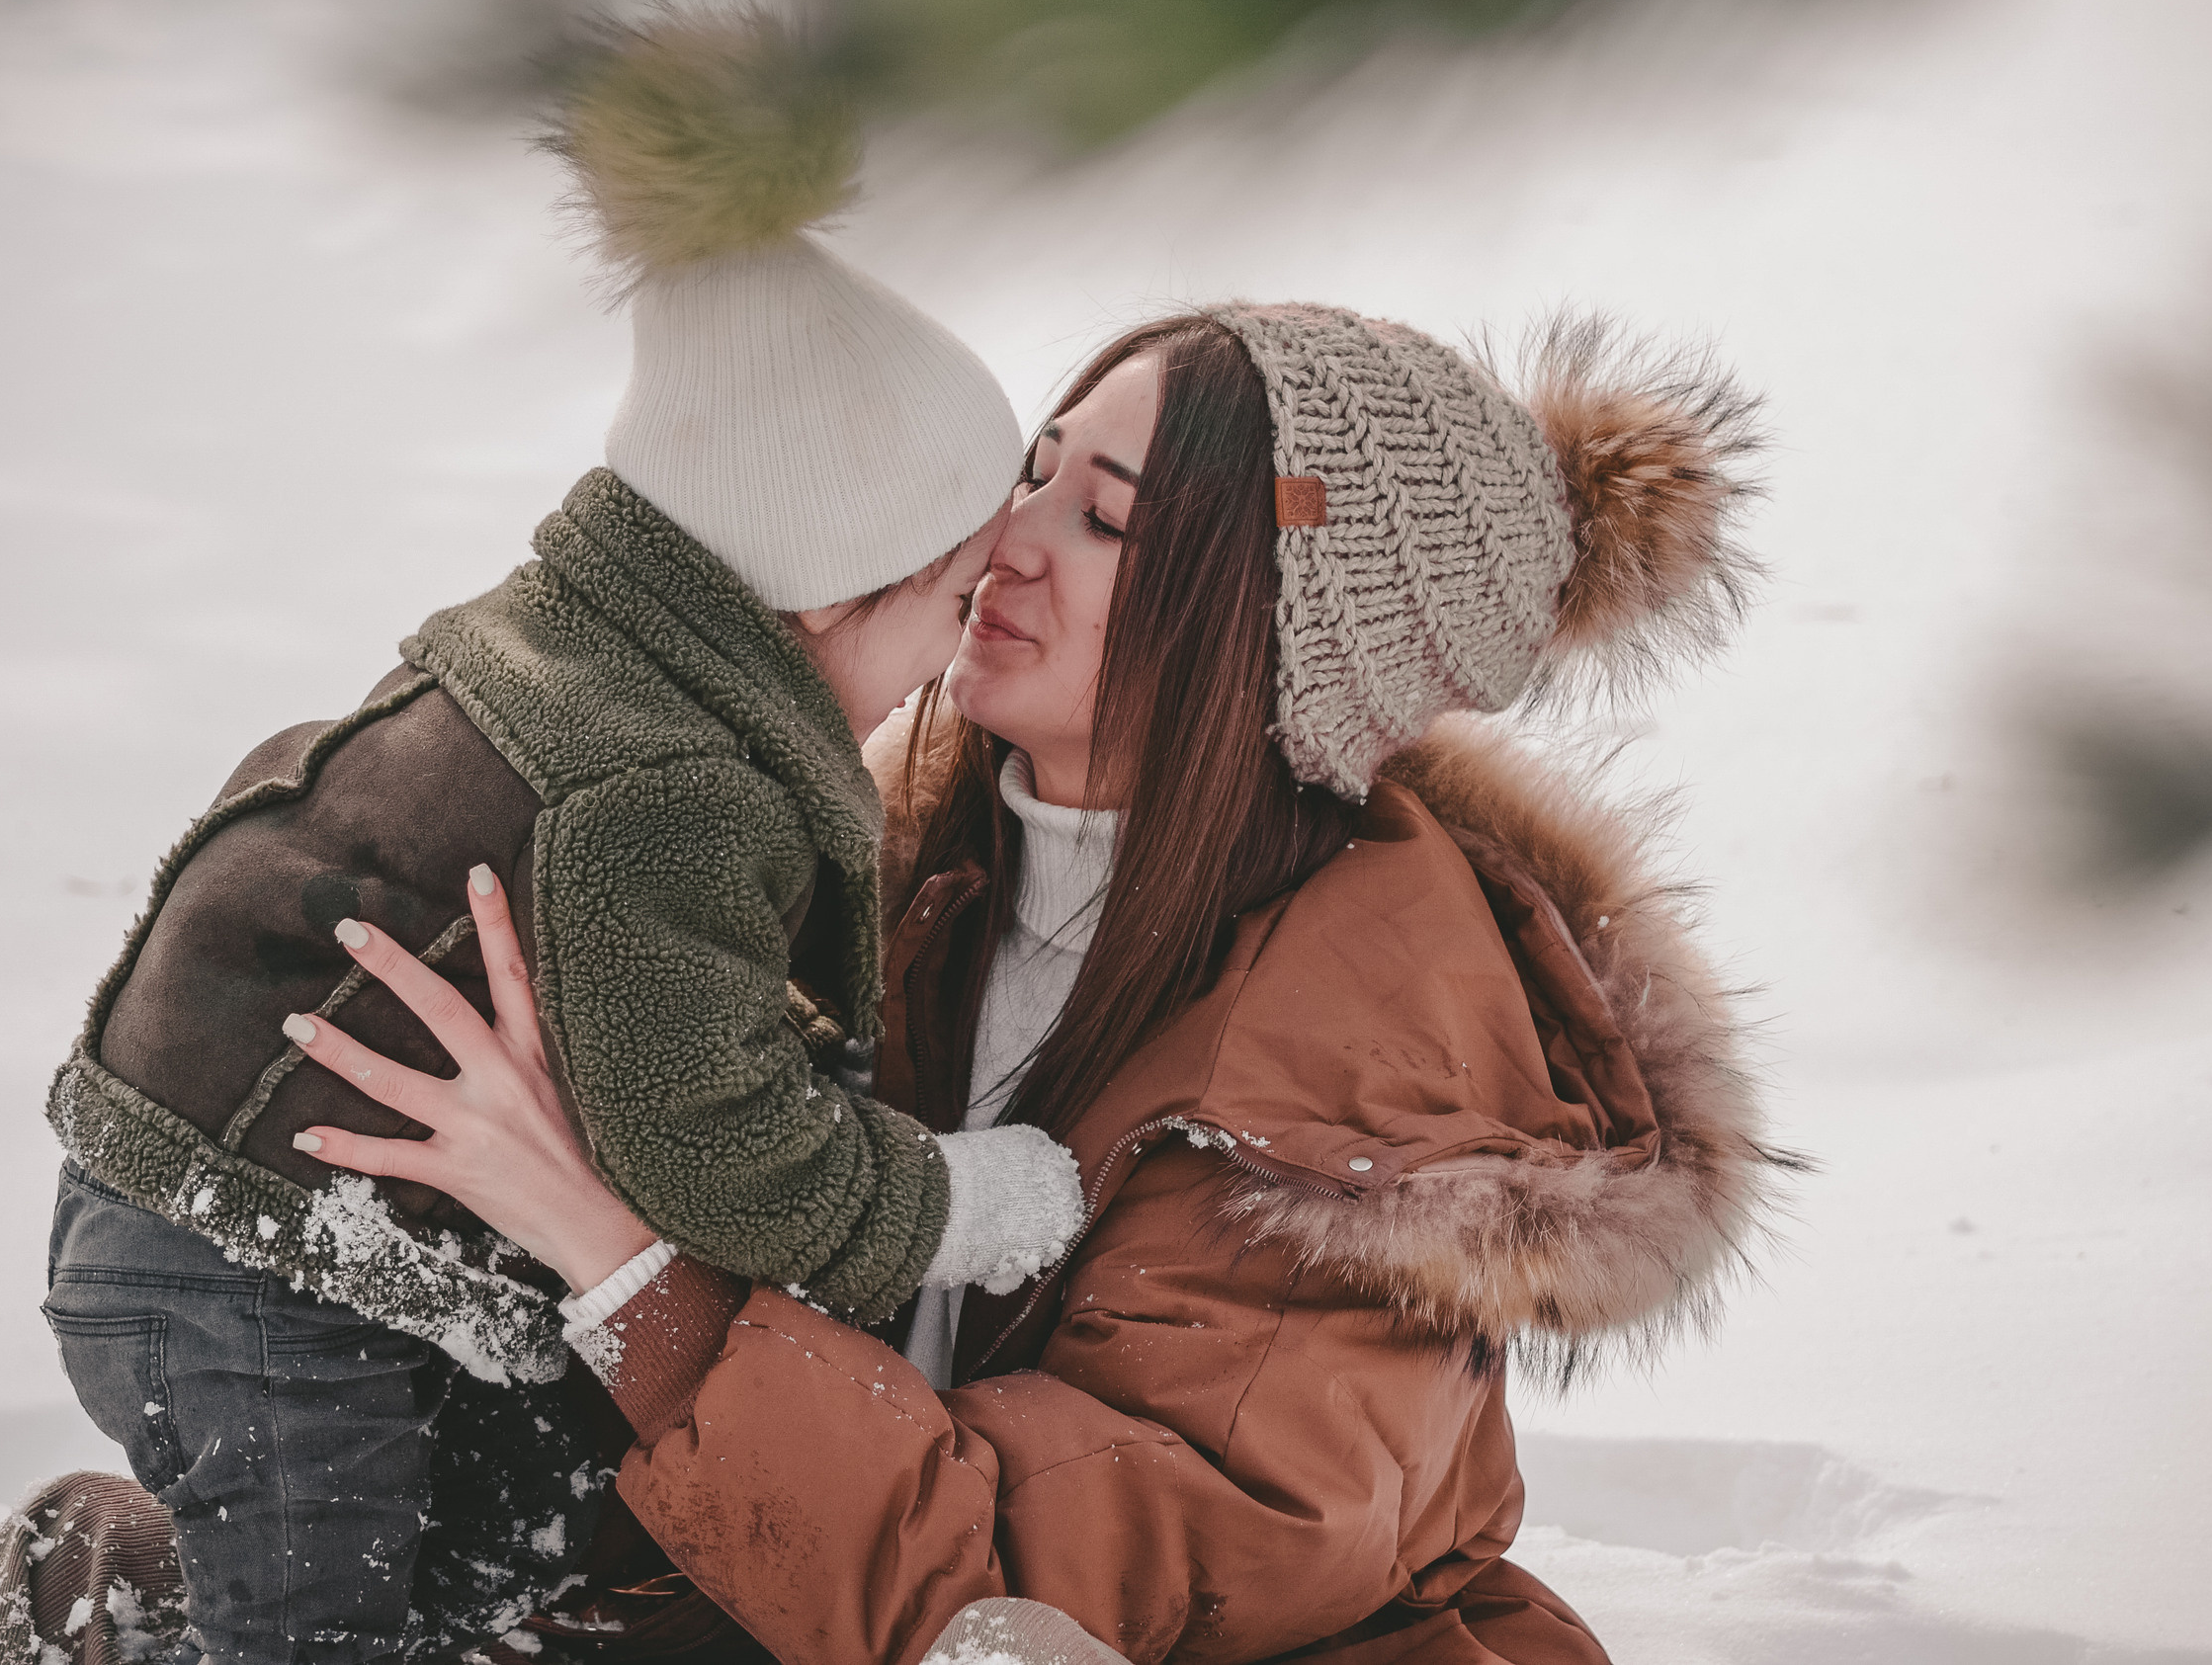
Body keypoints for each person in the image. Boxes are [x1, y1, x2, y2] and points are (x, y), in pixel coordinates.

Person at [272, 300, 1795, 1665]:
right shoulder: (901, 849)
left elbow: (1013, 1610)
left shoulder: (1374, 1084)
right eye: (1035, 471)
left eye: (1107, 521)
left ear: (1268, 637)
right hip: (785, 1577)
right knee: (142, 1573)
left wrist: (611, 1255)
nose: (1000, 538)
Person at [6, 11, 1085, 1665]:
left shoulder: (580, 657)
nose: (958, 643)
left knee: (481, 1576)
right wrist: (962, 1205)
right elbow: (719, 1143)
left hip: (257, 1237)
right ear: (827, 589)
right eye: (950, 596)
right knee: (315, 1632)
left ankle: (100, 1612)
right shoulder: (667, 784)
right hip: (254, 1275)